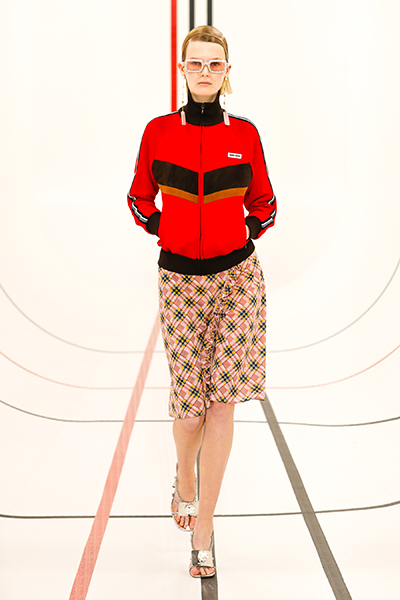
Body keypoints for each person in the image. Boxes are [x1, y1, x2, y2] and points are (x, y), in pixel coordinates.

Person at [127, 25, 276, 578]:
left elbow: (265, 201)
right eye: (197, 63)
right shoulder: (159, 132)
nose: (206, 72)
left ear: (227, 71)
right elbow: (138, 197)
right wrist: (163, 229)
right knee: (189, 415)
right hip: (180, 284)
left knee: (222, 406)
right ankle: (183, 478)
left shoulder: (246, 134)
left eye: (216, 64)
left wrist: (247, 232)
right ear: (182, 69)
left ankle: (205, 529)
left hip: (238, 281)